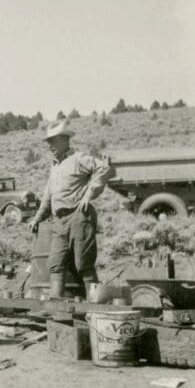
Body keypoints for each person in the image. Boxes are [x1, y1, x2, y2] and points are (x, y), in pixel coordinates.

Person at [28, 121, 112, 298]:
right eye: (48, 142)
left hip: (79, 216)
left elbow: (103, 169)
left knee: (83, 263)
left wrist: (89, 195)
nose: (50, 146)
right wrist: (37, 218)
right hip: (59, 221)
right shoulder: (55, 166)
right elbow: (48, 196)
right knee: (55, 264)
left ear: (64, 139)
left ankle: (94, 305)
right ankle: (55, 306)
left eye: (53, 141)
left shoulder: (78, 159)